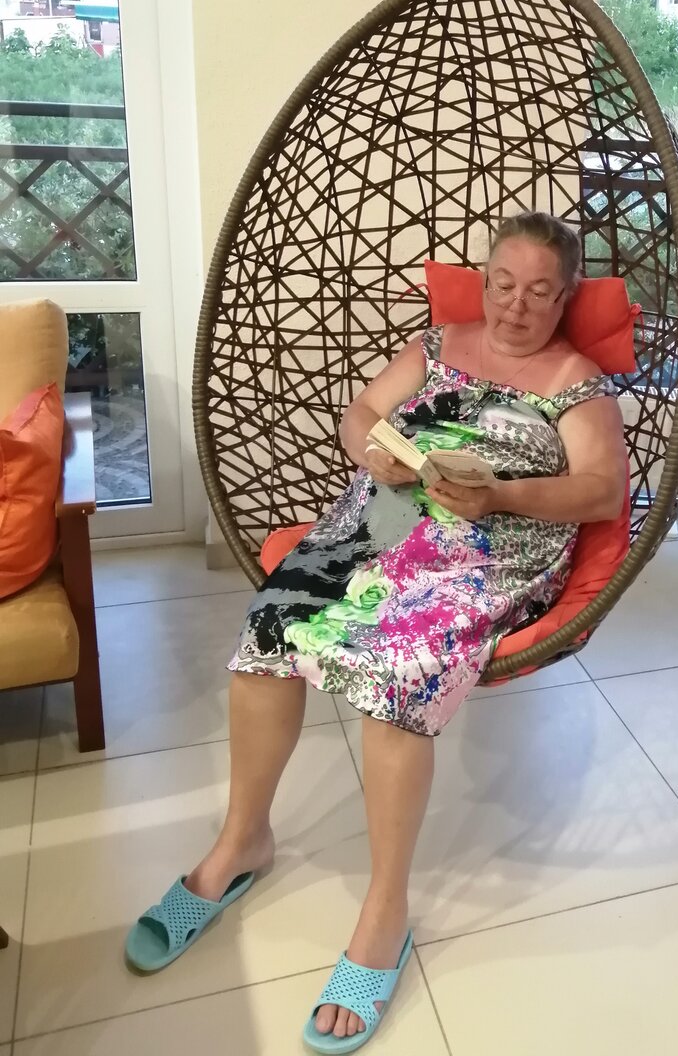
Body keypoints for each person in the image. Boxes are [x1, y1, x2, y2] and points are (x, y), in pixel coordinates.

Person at [126, 213, 626, 1051]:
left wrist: (499, 494)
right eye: (503, 285)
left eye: (539, 292)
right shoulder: (438, 345)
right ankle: (242, 841)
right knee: (268, 632)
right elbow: (362, 411)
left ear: (565, 296)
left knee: (398, 683)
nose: (515, 305)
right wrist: (373, 455)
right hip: (380, 524)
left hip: (487, 549)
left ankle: (384, 913)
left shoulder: (578, 382)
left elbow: (604, 490)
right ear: (485, 280)